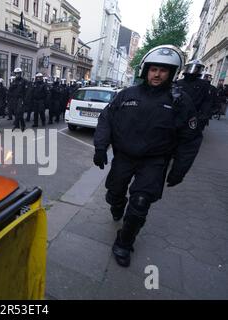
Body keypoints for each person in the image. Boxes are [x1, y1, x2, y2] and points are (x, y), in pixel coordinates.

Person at [93, 45, 203, 267]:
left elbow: (190, 139)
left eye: (164, 70)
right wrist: (100, 147)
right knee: (113, 195)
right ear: (146, 70)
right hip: (124, 157)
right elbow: (106, 120)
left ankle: (124, 242)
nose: (157, 74)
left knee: (141, 202)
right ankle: (117, 204)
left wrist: (179, 169)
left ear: (171, 73)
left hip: (154, 161)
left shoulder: (180, 102)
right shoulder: (126, 95)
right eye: (154, 69)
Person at [177, 60, 213, 131]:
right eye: (191, 68)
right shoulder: (178, 83)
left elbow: (207, 100)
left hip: (195, 114)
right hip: (179, 113)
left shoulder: (203, 84)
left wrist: (204, 115)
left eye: (196, 68)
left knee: (191, 134)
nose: (193, 70)